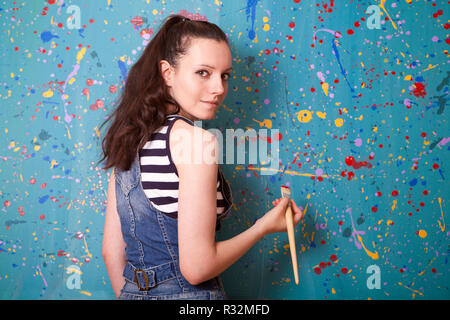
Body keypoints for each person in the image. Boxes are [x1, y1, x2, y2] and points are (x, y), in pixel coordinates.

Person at [99, 14, 304, 300]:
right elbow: (197, 268)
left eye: (225, 75)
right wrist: (263, 228)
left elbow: (111, 251)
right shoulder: (198, 141)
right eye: (203, 73)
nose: (219, 88)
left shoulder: (129, 140)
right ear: (168, 73)